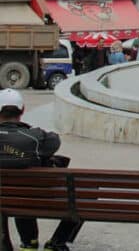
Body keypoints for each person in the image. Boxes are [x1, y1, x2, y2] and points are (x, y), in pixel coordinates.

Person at [0, 89, 77, 251]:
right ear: (22, 110)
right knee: (78, 197)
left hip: (5, 197)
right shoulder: (36, 137)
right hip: (36, 196)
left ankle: (29, 242)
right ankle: (56, 242)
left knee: (18, 192)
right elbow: (54, 142)